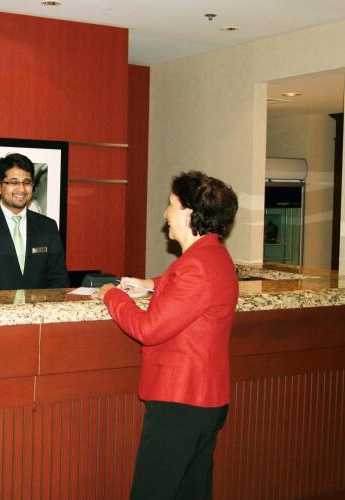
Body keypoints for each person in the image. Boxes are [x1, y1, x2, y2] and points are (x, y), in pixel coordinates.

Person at [95, 170, 239, 500]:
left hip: (181, 401)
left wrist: (111, 295)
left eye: (171, 204)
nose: (165, 214)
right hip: (204, 399)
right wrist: (150, 284)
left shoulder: (196, 265)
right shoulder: (214, 256)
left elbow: (148, 329)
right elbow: (192, 290)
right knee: (191, 491)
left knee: (152, 491)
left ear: (189, 212)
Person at [0, 153, 70, 291]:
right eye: (14, 182)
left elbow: (59, 279)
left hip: (40, 305)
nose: (21, 189)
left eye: (27, 182)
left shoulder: (48, 226)